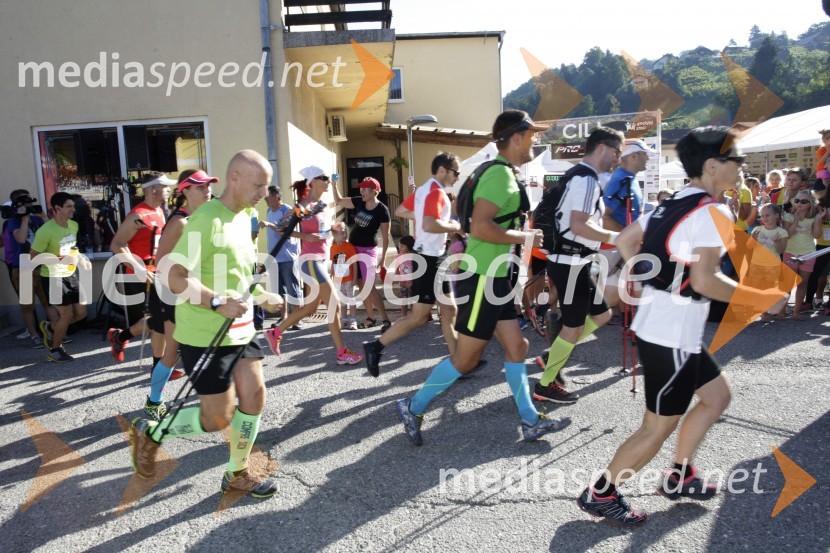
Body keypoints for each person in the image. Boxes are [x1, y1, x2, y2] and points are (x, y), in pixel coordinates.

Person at [576, 126, 781, 527]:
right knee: (656, 427)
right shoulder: (712, 211)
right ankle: (602, 492)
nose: (740, 167)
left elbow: (625, 241)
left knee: (717, 397)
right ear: (711, 165)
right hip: (671, 334)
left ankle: (679, 475)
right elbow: (705, 280)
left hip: (670, 330)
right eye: (735, 159)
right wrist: (760, 299)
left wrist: (649, 275)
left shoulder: (676, 203)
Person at [394, 109, 570, 446]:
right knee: (466, 358)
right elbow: (480, 226)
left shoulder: (504, 174)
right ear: (516, 137)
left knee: (517, 346)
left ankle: (530, 419)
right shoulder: (500, 176)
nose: (536, 140)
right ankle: (412, 406)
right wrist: (526, 238)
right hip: (483, 280)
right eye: (532, 134)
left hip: (497, 279)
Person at [129, 150, 284, 497]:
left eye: (267, 186)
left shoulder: (246, 217)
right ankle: (154, 433)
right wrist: (215, 301)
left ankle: (237, 472)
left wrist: (261, 295)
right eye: (258, 185)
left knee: (255, 396)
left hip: (241, 327)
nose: (264, 192)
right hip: (204, 330)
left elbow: (240, 272)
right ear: (235, 178)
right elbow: (172, 275)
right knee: (218, 419)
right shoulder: (205, 220)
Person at [533, 127, 625, 404]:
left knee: (602, 314)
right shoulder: (585, 179)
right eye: (616, 152)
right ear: (602, 148)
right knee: (572, 327)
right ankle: (545, 385)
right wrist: (618, 238)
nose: (617, 158)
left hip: (573, 261)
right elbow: (578, 224)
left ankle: (551, 356)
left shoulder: (579, 176)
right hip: (569, 262)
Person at [363, 152, 462, 377]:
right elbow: (429, 225)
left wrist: (425, 217)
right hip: (430, 258)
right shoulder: (436, 192)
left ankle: (459, 363)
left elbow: (400, 211)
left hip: (434, 255)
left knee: (449, 310)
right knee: (419, 316)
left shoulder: (425, 189)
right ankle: (375, 347)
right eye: (456, 172)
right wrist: (455, 227)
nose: (457, 177)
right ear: (443, 170)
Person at [264, 169, 363, 365]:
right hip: (309, 260)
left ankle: (275, 331)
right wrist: (305, 236)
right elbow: (282, 227)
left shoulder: (321, 205)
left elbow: (324, 230)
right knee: (334, 303)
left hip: (320, 259)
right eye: (324, 179)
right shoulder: (304, 205)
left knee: (310, 308)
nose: (328, 181)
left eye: (328, 178)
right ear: (313, 182)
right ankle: (342, 352)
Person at [141, 169, 215, 421]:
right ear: (184, 190)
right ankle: (154, 401)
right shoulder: (180, 222)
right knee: (172, 352)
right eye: (200, 187)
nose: (207, 190)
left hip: (190, 289)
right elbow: (161, 263)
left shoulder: (201, 219)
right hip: (171, 293)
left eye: (208, 186)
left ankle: (216, 394)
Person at [108, 172, 175, 365]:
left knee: (159, 321)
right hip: (140, 277)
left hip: (158, 274)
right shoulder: (138, 215)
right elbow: (117, 244)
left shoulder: (161, 211)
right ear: (153, 189)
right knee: (159, 321)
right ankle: (159, 366)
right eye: (165, 186)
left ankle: (120, 337)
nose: (169, 189)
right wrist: (139, 269)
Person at [29, 192, 89, 362]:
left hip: (70, 274)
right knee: (66, 315)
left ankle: (50, 328)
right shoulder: (45, 231)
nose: (73, 209)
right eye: (69, 206)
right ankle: (55, 350)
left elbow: (71, 248)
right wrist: (59, 259)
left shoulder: (74, 226)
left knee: (81, 312)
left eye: (73, 206)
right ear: (57, 209)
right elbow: (33, 257)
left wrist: (79, 258)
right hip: (52, 277)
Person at [331, 175, 393, 331]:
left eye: (365, 189)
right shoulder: (358, 201)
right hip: (352, 249)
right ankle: (371, 317)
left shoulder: (382, 210)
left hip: (368, 251)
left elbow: (386, 236)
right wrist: (334, 184)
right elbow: (338, 200)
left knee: (369, 286)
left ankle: (385, 320)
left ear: (374, 191)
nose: (361, 191)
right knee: (359, 283)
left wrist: (383, 258)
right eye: (361, 188)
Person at [3, 190, 56, 348]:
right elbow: (20, 239)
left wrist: (43, 216)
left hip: (41, 264)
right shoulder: (13, 221)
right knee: (27, 305)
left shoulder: (36, 219)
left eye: (30, 203)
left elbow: (51, 234)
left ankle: (56, 332)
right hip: (24, 267)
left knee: (49, 302)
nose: (29, 206)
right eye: (25, 204)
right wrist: (24, 219)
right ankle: (33, 335)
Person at [259, 185, 303, 328]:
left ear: (276, 196)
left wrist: (268, 224)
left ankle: (297, 319)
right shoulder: (268, 210)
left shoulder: (287, 210)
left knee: (293, 288)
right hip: (274, 258)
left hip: (288, 257)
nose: (265, 198)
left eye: (268, 196)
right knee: (279, 290)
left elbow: (282, 229)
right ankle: (283, 318)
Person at [782, 190, 823, 319]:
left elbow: (817, 235)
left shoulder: (813, 218)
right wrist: (795, 220)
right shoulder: (788, 216)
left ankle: (796, 312)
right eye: (797, 200)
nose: (799, 203)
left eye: (804, 201)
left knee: (803, 283)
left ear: (810, 203)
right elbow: (788, 234)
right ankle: (782, 311)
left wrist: (817, 221)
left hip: (808, 254)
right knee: (787, 283)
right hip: (790, 252)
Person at [748, 204, 789, 322]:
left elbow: (781, 250)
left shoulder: (782, 232)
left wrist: (776, 242)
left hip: (772, 265)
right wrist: (752, 239)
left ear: (776, 215)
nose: (764, 218)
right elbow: (748, 247)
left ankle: (773, 311)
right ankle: (762, 312)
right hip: (756, 264)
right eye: (762, 216)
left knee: (770, 289)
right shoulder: (757, 230)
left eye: (767, 215)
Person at [330, 222, 358, 330]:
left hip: (349, 279)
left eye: (345, 232)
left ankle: (353, 320)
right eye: (342, 233)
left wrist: (355, 277)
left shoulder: (349, 247)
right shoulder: (332, 248)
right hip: (339, 280)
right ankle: (344, 319)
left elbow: (354, 263)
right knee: (342, 300)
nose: (344, 235)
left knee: (351, 299)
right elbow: (333, 262)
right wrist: (332, 276)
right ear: (334, 235)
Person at [395, 235, 415, 318]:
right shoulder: (399, 256)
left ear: (409, 246)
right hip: (403, 283)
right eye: (399, 246)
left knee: (414, 301)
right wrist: (400, 280)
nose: (400, 248)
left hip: (413, 283)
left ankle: (415, 317)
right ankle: (404, 317)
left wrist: (412, 281)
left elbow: (417, 270)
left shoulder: (415, 257)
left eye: (402, 246)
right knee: (404, 301)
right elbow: (396, 269)